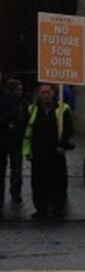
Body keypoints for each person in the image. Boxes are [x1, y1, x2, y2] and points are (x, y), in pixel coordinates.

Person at [22, 83, 73, 219]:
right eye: (43, 92)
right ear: (39, 93)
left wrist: (62, 145)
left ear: (53, 93)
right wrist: (28, 150)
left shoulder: (62, 109)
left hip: (56, 152)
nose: (45, 95)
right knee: (38, 182)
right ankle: (41, 208)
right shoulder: (32, 109)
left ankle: (58, 208)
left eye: (48, 92)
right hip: (38, 152)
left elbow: (67, 129)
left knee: (58, 182)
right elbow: (27, 130)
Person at [0, 78, 28, 215]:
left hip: (17, 141)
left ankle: (16, 193)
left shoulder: (22, 102)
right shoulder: (7, 100)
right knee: (7, 169)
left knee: (16, 169)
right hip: (5, 140)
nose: (20, 92)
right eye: (18, 89)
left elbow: (25, 120)